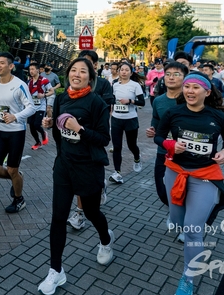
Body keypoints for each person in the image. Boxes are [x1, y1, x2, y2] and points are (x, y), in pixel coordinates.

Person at [154, 72, 224, 295]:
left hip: (205, 175)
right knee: (176, 221)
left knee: (192, 230)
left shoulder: (219, 117)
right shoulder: (173, 113)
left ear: (207, 92)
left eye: (196, 87)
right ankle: (185, 221)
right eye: (187, 86)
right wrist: (170, 145)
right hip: (175, 172)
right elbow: (159, 136)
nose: (190, 91)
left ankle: (188, 278)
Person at [39, 58, 114, 295]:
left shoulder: (97, 103)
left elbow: (104, 139)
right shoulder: (61, 98)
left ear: (90, 77)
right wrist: (50, 122)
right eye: (73, 70)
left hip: (88, 167)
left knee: (91, 213)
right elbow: (59, 131)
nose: (77, 74)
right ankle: (56, 270)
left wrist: (79, 128)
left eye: (83, 71)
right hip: (64, 166)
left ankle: (105, 240)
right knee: (58, 217)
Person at [67, 50, 114, 230]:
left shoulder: (103, 85)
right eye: (76, 67)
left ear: (94, 65)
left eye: (85, 64)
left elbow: (106, 110)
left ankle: (87, 207)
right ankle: (79, 212)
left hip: (94, 138)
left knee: (89, 187)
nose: (78, 72)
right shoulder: (71, 86)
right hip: (74, 143)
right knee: (78, 181)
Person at [0, 52, 35, 213]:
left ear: (11, 66)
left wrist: (15, 117)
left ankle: (19, 199)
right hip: (0, 131)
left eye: (2, 63)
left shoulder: (19, 85)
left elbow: (31, 107)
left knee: (12, 169)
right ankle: (17, 177)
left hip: (16, 132)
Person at [145, 61, 189, 208]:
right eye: (168, 74)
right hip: (163, 152)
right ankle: (175, 211)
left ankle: (181, 216)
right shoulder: (158, 101)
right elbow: (156, 124)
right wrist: (152, 131)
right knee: (163, 191)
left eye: (176, 74)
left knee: (185, 190)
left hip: (186, 153)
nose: (171, 77)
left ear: (184, 78)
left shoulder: (190, 99)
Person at [108, 63, 145, 184]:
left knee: (131, 145)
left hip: (130, 119)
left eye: (126, 70)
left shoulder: (135, 85)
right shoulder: (114, 85)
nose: (124, 72)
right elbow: (112, 99)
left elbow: (142, 102)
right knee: (117, 147)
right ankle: (117, 173)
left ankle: (137, 158)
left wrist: (130, 101)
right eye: (122, 70)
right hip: (116, 119)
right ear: (119, 72)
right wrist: (111, 108)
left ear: (131, 72)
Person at [27, 63, 54, 150]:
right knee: (31, 126)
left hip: (41, 107)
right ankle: (37, 142)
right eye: (30, 69)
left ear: (38, 70)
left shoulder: (44, 80)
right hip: (31, 107)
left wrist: (44, 95)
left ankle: (43, 133)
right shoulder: (30, 82)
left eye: (33, 69)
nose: (31, 71)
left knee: (36, 125)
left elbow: (52, 91)